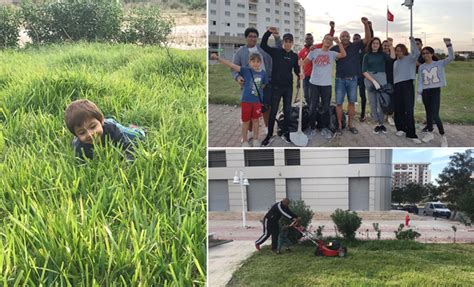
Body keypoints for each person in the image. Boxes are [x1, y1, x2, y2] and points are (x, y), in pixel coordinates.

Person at [231, 27, 281, 142]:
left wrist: (277, 36)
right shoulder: (240, 52)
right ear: (246, 38)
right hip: (249, 86)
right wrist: (238, 77)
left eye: (254, 36)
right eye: (250, 36)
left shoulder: (262, 49)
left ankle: (268, 129)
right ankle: (248, 132)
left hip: (265, 83)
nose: (252, 38)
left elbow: (278, 49)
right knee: (249, 110)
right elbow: (234, 69)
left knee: (266, 107)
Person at [212, 53, 268, 147]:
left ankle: (255, 139)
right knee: (245, 121)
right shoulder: (246, 71)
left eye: (258, 61)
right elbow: (231, 65)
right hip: (246, 101)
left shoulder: (263, 73)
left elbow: (263, 85)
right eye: (253, 61)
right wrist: (218, 58)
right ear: (249, 62)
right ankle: (245, 141)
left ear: (261, 62)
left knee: (256, 121)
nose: (255, 64)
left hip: (257, 102)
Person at [330, 17, 372, 136]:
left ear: (349, 37)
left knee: (352, 103)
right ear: (340, 37)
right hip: (339, 80)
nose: (344, 38)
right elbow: (325, 49)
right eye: (342, 36)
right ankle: (339, 126)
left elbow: (368, 38)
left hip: (352, 80)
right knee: (339, 103)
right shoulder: (335, 48)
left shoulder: (355, 45)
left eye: (347, 36)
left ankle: (350, 125)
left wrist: (365, 25)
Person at [260, 27, 301, 146]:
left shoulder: (294, 56)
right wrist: (268, 33)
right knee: (273, 111)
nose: (288, 43)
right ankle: (269, 135)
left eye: (290, 41)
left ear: (292, 43)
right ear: (283, 42)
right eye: (286, 41)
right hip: (276, 87)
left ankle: (286, 133)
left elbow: (297, 71)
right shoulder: (276, 52)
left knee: (287, 111)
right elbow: (263, 45)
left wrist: (300, 74)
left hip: (288, 88)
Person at [65, 99, 143, 161]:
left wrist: (128, 161)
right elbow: (83, 164)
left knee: (138, 136)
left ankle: (135, 128)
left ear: (101, 121)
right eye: (82, 133)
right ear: (76, 135)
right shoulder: (79, 147)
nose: (90, 134)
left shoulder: (112, 128)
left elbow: (128, 146)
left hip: (111, 125)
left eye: (93, 127)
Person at [303, 35, 346, 139]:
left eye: (330, 40)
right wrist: (309, 52)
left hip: (326, 84)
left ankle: (324, 128)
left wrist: (338, 42)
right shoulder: (314, 51)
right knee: (313, 107)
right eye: (326, 39)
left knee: (326, 107)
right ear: (322, 40)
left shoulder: (332, 54)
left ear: (331, 43)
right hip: (314, 84)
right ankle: (312, 128)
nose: (328, 41)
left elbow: (344, 54)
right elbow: (304, 62)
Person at [417, 38, 454, 147]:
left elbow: (451, 57)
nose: (425, 55)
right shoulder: (421, 67)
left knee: (435, 115)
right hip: (425, 92)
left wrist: (448, 45)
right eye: (423, 53)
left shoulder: (439, 64)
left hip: (435, 92)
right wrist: (419, 93)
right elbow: (420, 81)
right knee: (428, 114)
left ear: (432, 54)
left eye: (427, 53)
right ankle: (429, 133)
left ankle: (443, 136)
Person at [362, 37, 395, 134]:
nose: (375, 45)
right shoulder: (367, 55)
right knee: (373, 103)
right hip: (370, 78)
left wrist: (390, 45)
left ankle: (382, 123)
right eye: (373, 43)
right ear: (371, 44)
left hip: (381, 78)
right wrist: (373, 81)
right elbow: (364, 71)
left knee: (381, 102)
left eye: (377, 43)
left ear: (379, 45)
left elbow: (392, 57)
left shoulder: (382, 54)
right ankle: (376, 123)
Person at [393, 37, 422, 144]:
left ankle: (411, 133)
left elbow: (417, 53)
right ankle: (400, 128)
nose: (398, 52)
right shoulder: (395, 63)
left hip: (407, 85)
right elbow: (395, 76)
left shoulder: (410, 58)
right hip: (397, 86)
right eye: (396, 50)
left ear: (404, 51)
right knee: (398, 109)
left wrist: (412, 41)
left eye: (400, 50)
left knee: (409, 110)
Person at [298, 21, 335, 105]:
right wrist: (298, 80)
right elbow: (300, 65)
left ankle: (318, 111)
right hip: (306, 77)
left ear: (313, 40)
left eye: (311, 38)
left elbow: (329, 38)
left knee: (317, 97)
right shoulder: (301, 52)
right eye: (307, 38)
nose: (309, 40)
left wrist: (332, 28)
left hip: (317, 78)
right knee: (307, 96)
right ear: (305, 40)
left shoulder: (317, 47)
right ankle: (310, 110)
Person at [353, 21, 374, 122]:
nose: (356, 40)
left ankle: (362, 114)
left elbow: (370, 39)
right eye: (354, 39)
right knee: (351, 95)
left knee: (362, 95)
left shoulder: (364, 49)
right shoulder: (351, 48)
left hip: (362, 76)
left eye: (357, 38)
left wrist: (369, 27)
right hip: (352, 75)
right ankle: (351, 112)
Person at [382, 40, 396, 126]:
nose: (386, 47)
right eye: (384, 45)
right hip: (382, 79)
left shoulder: (393, 56)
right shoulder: (380, 55)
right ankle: (384, 115)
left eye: (388, 46)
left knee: (391, 98)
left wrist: (391, 46)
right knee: (383, 98)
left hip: (391, 79)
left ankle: (390, 115)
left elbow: (393, 58)